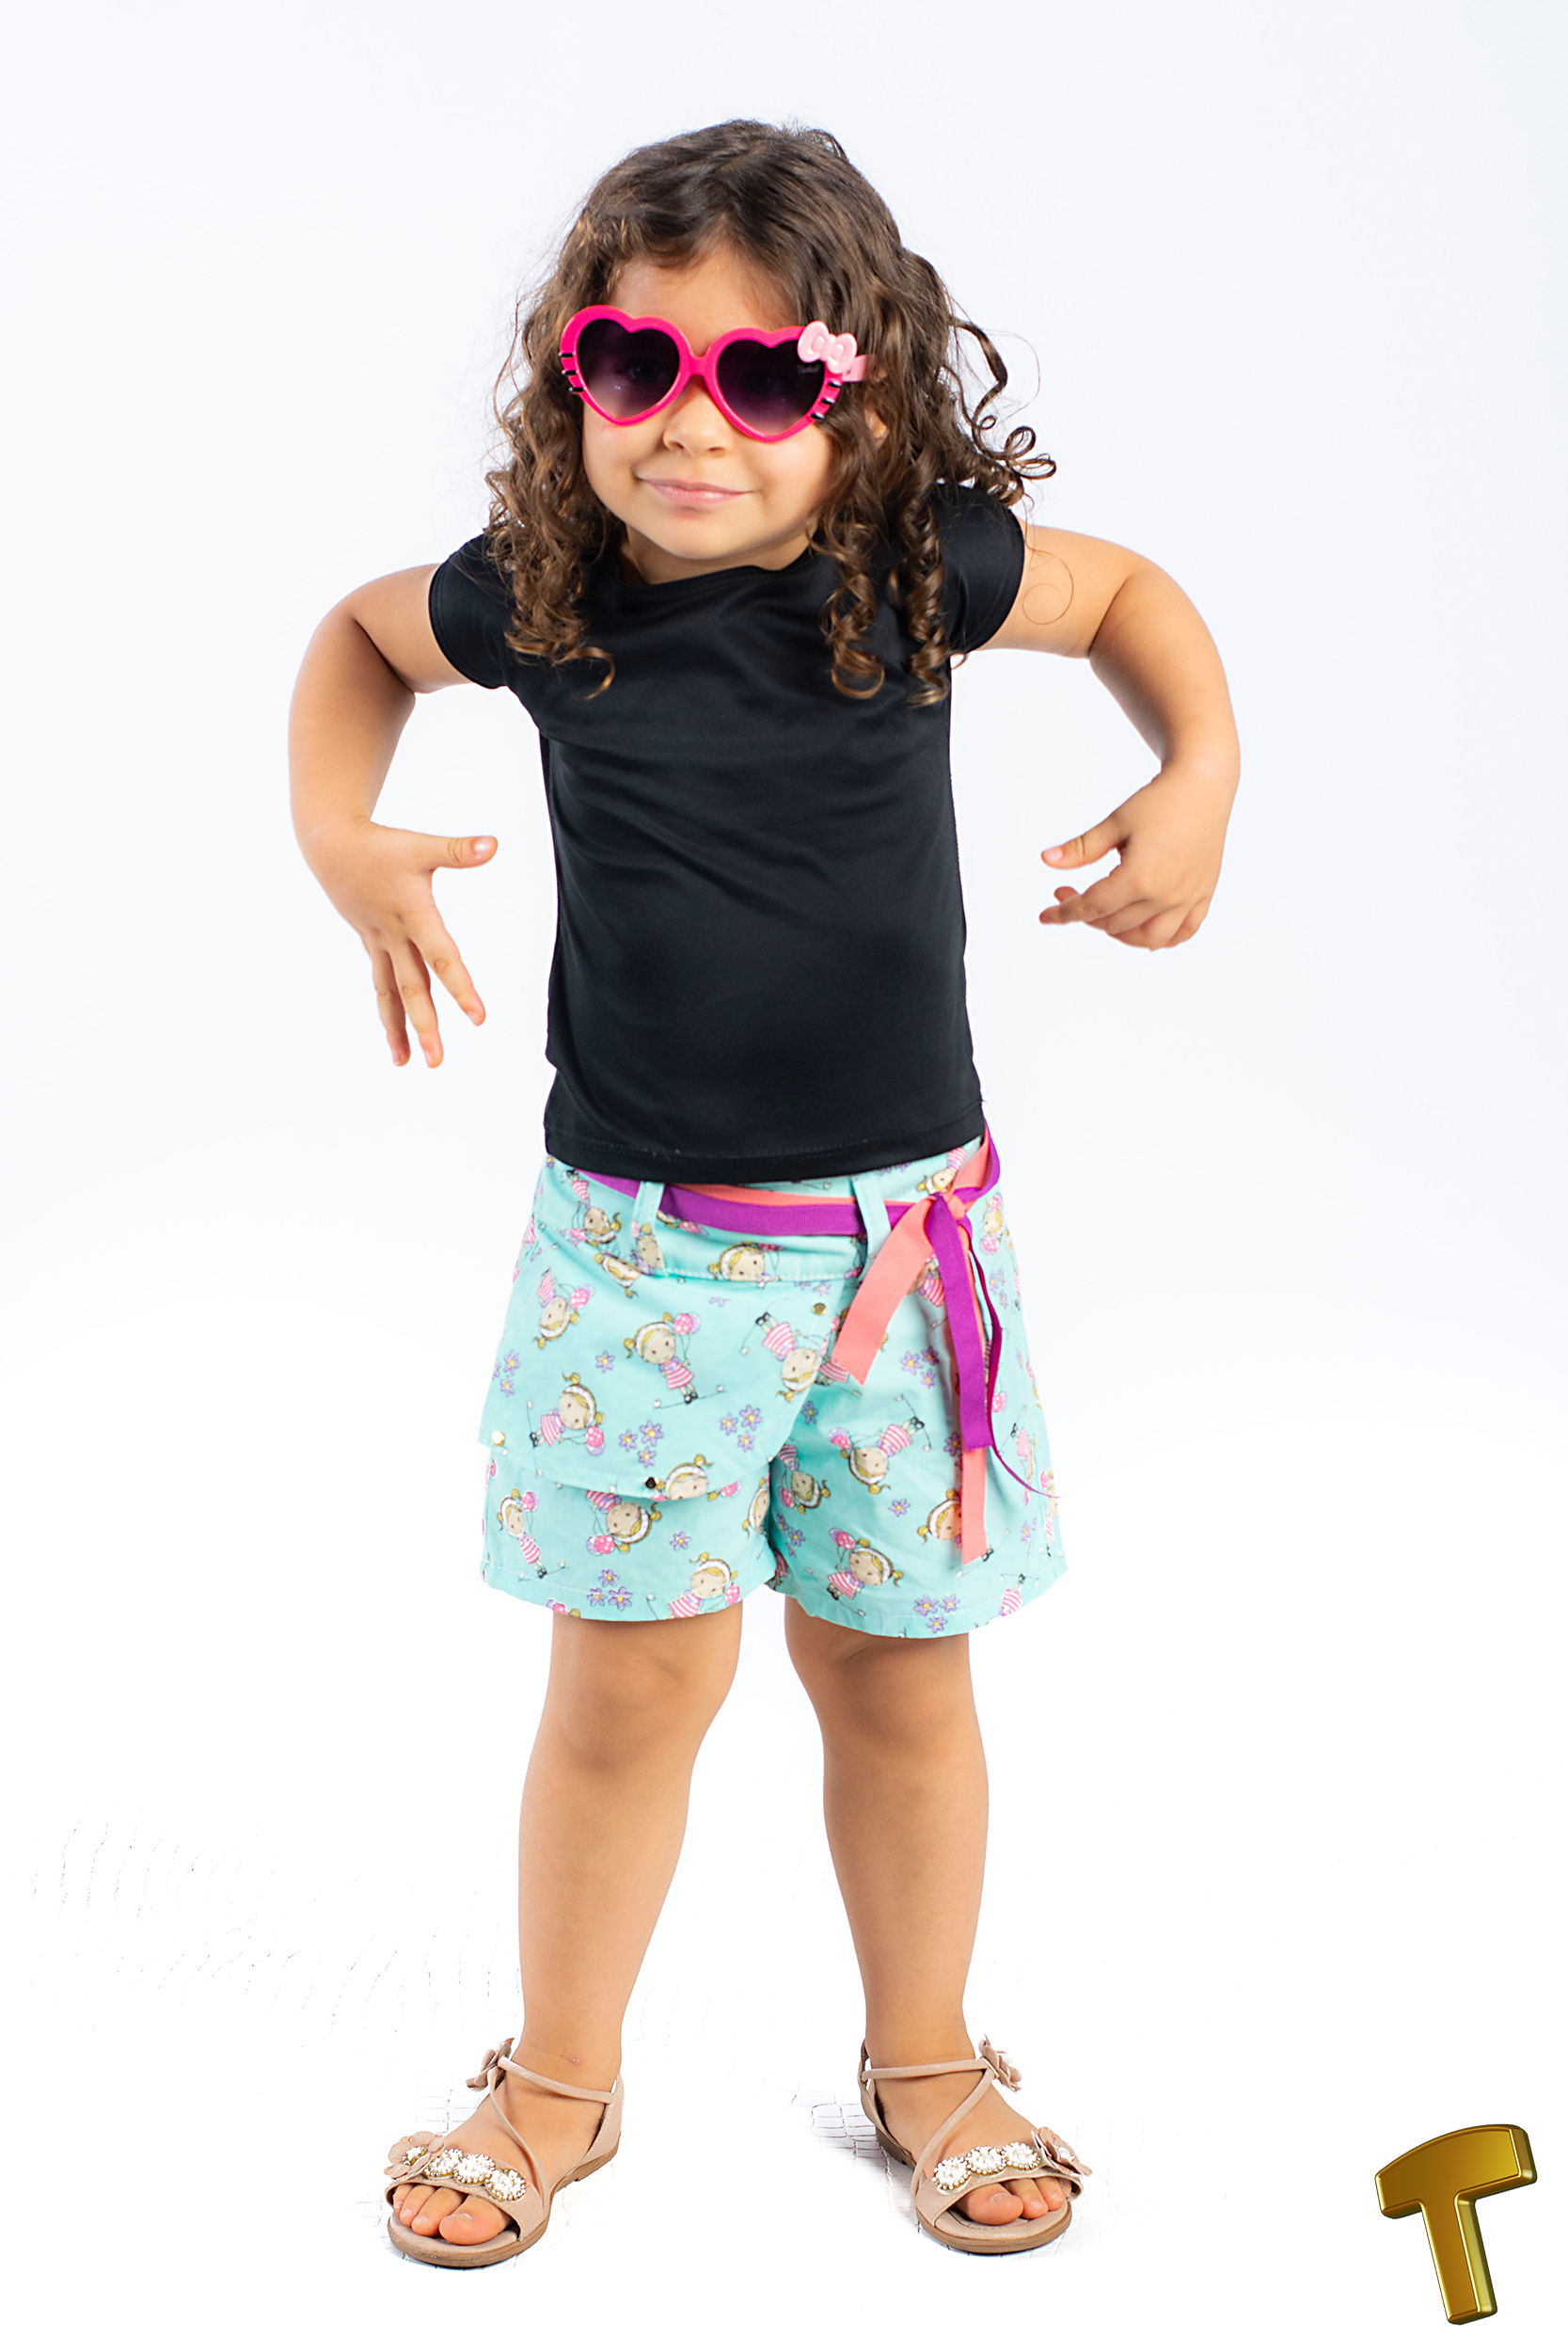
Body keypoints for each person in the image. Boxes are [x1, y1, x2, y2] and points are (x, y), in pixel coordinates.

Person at [289, 119, 1240, 2267]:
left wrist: (1201, 772)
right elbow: (355, 642)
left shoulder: (915, 571)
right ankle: (556, 2075)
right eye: (634, 365)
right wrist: (340, 834)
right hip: (644, 1261)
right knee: (629, 1689)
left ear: (859, 397)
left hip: (909, 1251)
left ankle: (929, 2057)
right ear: (573, 372)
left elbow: (1127, 598)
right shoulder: (542, 599)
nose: (692, 422)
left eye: (765, 374)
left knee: (900, 1678)